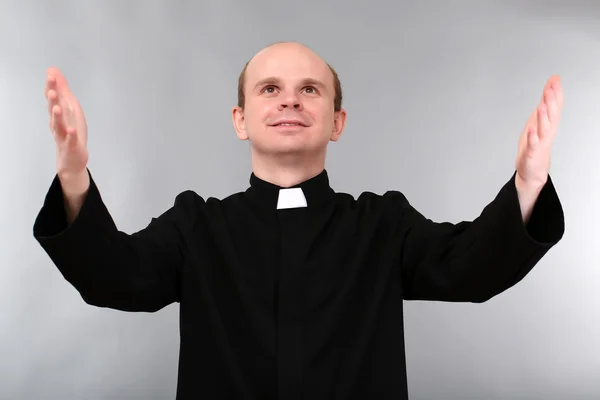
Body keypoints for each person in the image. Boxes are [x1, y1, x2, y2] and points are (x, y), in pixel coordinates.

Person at [34, 42, 565, 399]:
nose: (290, 98)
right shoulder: (195, 226)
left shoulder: (382, 224)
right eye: (269, 89)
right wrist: (74, 174)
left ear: (337, 122)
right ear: (240, 120)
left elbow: (470, 268)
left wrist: (528, 182)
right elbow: (115, 277)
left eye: (310, 89)